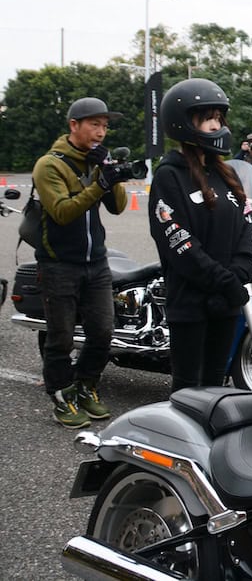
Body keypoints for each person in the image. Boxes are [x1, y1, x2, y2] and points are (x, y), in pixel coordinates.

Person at [148, 79, 252, 393]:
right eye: (207, 118)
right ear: (183, 123)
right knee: (189, 390)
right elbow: (177, 240)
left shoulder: (228, 174)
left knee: (215, 386)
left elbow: (246, 226)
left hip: (227, 301)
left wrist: (239, 274)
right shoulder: (170, 176)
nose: (216, 125)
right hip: (191, 304)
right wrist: (224, 281)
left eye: (219, 118)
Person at [33, 97, 131, 427]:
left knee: (103, 332)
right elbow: (62, 212)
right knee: (60, 337)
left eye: (105, 125)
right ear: (74, 125)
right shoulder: (49, 165)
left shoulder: (95, 160)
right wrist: (97, 184)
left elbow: (117, 207)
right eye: (94, 124)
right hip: (59, 263)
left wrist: (109, 173)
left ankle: (86, 386)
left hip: (96, 262)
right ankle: (61, 395)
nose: (101, 132)